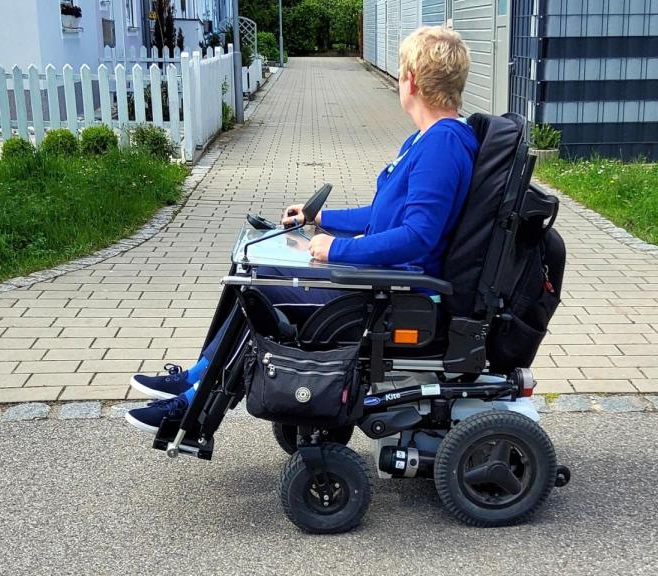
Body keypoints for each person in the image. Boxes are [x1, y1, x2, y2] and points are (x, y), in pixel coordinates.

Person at [125, 26, 480, 433]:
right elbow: (382, 216)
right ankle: (197, 377)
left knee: (256, 286)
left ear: (411, 80)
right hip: (384, 281)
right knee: (250, 270)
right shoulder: (426, 139)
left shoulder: (442, 145)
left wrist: (334, 251)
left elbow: (417, 237)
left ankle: (192, 404)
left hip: (397, 292)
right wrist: (320, 220)